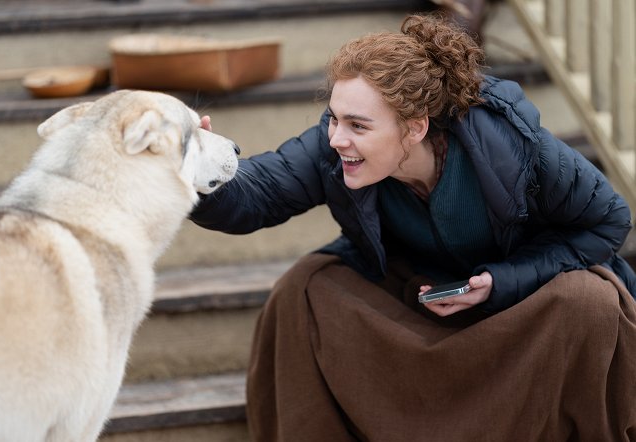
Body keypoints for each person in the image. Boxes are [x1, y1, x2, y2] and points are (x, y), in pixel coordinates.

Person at [190, 13, 636, 441]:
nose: (336, 138)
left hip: (517, 305)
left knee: (590, 301)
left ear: (415, 128)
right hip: (419, 297)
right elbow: (258, 195)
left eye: (358, 125)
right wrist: (194, 169)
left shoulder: (513, 145)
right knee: (304, 288)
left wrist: (503, 281)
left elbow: (609, 221)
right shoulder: (335, 148)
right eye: (333, 118)